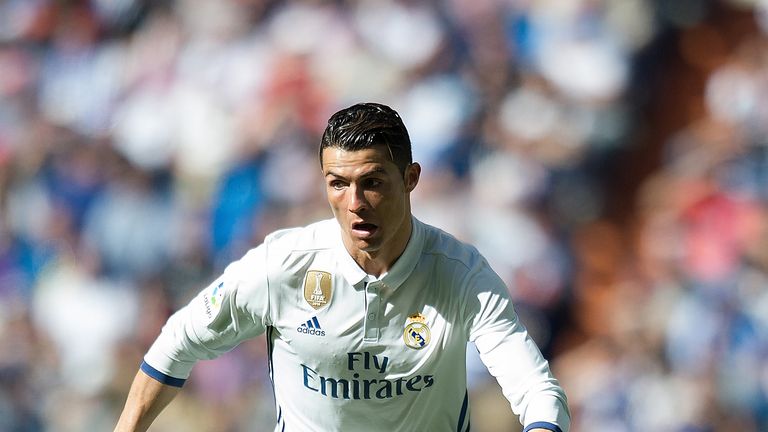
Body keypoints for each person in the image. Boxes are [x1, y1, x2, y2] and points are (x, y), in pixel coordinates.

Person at [114, 103, 570, 432]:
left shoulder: (459, 273)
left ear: (410, 179)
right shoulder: (284, 266)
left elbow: (535, 388)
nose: (355, 204)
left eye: (372, 183)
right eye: (338, 184)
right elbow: (179, 341)